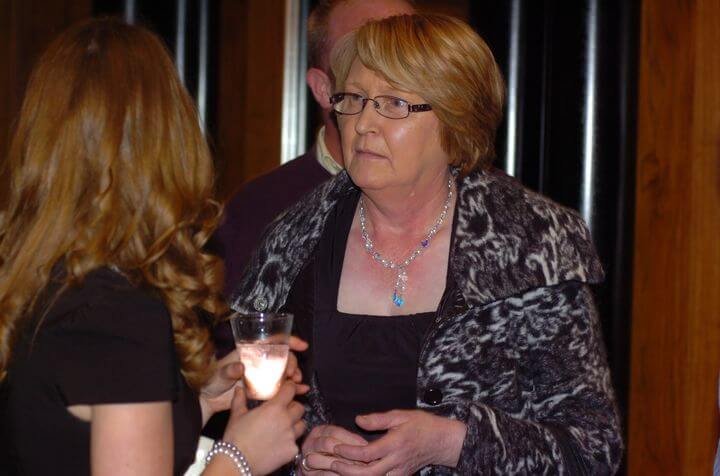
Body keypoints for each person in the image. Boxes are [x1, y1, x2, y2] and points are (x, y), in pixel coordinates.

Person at [230, 13, 623, 475]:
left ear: (456, 124)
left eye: (394, 103)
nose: (363, 124)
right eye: (353, 99)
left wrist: (453, 443)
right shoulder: (292, 244)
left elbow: (593, 450)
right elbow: (250, 426)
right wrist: (301, 455)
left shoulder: (533, 244)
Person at [0, 19, 307, 476]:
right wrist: (239, 459)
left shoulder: (49, 279)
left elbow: (74, 440)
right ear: (167, 144)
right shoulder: (117, 312)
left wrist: (200, 400)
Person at [215, 0, 415, 294]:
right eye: (361, 53)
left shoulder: (468, 204)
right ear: (324, 89)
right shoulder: (259, 210)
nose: (391, 73)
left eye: (407, 49)